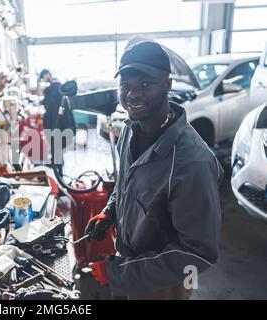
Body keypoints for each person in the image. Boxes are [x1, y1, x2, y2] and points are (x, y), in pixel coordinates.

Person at [85, 41, 224, 300]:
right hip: (127, 259)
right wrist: (110, 212)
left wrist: (120, 274)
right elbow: (128, 183)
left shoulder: (191, 162)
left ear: (167, 85)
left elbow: (198, 253)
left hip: (164, 283)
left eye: (146, 84)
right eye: (125, 85)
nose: (132, 94)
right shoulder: (130, 129)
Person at [39, 69, 76, 169]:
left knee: (56, 144)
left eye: (44, 76)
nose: (44, 79)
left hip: (57, 121)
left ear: (49, 75)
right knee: (57, 145)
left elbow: (50, 106)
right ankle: (57, 165)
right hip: (61, 120)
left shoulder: (52, 88)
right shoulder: (57, 86)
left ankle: (57, 168)